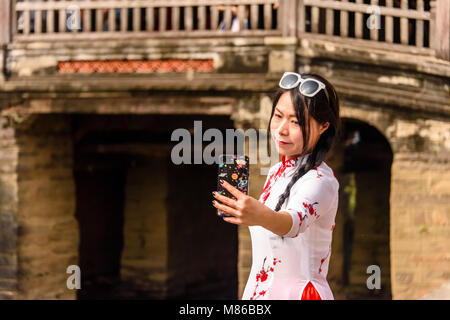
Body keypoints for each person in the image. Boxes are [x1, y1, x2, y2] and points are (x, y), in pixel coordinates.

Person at [212, 72, 341, 300]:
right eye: (278, 116)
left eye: (296, 122)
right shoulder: (276, 172)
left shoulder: (322, 181)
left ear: (323, 126)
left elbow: (292, 223)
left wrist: (261, 215)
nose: (282, 129)